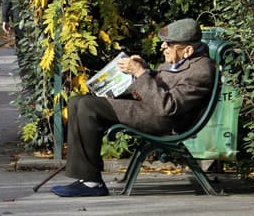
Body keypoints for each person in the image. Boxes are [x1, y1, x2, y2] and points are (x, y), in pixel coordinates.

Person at [50, 18, 215, 197]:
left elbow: (168, 106)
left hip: (166, 122)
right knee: (77, 101)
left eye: (169, 44)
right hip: (150, 110)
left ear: (188, 50)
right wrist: (144, 70)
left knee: (88, 106)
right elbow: (162, 86)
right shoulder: (180, 59)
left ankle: (92, 182)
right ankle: (85, 177)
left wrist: (140, 73)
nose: (163, 47)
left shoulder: (201, 70)